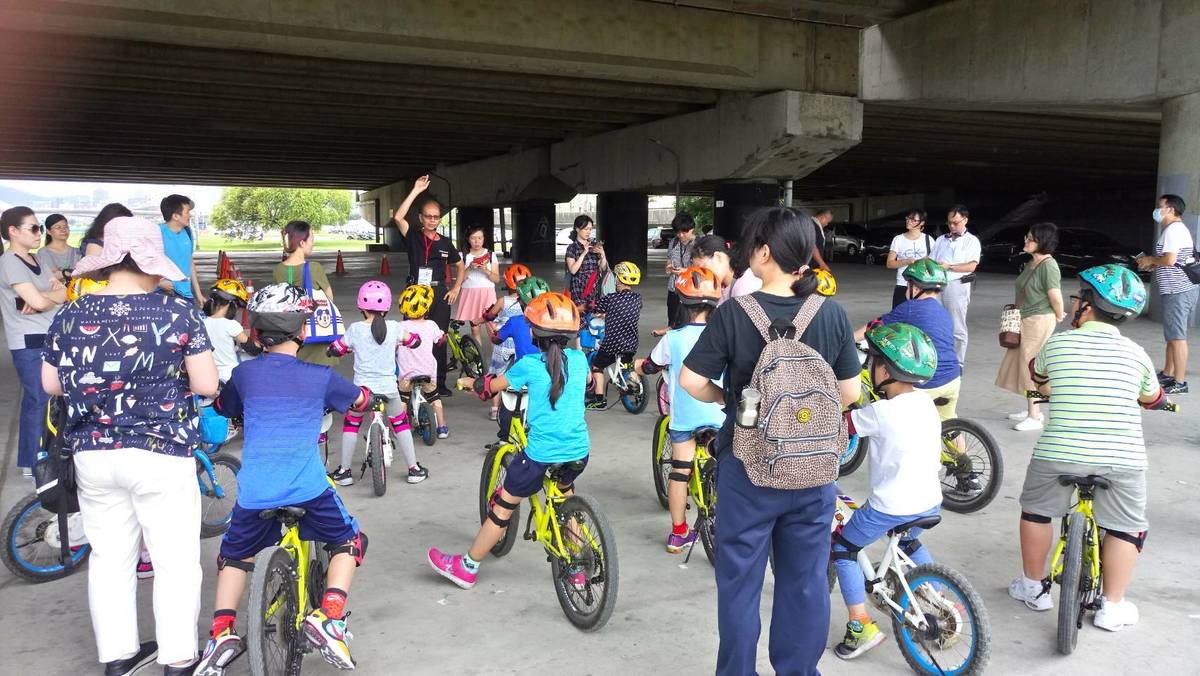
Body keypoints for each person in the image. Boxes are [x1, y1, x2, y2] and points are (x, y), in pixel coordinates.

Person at [680, 207, 859, 675]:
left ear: (764, 251)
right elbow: (850, 394)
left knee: (740, 583)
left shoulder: (735, 314)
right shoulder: (832, 312)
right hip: (815, 470)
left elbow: (690, 380)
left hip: (750, 466)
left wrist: (732, 401)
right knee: (805, 583)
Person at [41, 215, 218, 675]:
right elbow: (205, 383)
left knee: (109, 558)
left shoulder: (72, 312)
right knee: (175, 561)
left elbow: (51, 384)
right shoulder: (177, 312)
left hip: (94, 454)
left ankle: (117, 658)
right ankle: (178, 659)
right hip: (162, 453)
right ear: (147, 261)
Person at [195, 283, 371, 674]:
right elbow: (360, 400)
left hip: (255, 491)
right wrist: (364, 397)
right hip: (307, 488)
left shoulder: (245, 374)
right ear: (303, 332)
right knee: (349, 540)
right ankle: (330, 617)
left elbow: (225, 406)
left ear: (256, 334)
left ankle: (221, 634)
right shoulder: (321, 376)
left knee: (234, 557)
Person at [1010, 264, 1166, 633]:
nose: (1075, 302)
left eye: (1079, 296)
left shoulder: (1059, 344)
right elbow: (1152, 396)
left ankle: (1034, 587)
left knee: (1035, 510)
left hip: (1058, 453)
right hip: (1122, 460)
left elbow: (1040, 381)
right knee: (1127, 528)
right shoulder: (1138, 354)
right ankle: (1112, 606)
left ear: (1089, 305)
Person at [430, 292, 589, 589]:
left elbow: (492, 386)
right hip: (579, 451)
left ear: (533, 332)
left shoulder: (529, 365)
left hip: (540, 455)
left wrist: (470, 383)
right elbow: (585, 384)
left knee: (503, 507)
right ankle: (578, 569)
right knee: (564, 498)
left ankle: (467, 567)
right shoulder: (580, 361)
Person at [834, 322, 943, 660]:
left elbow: (843, 428)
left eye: (874, 361)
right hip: (929, 498)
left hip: (891, 505)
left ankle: (860, 625)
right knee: (908, 540)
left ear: (884, 369)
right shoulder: (925, 403)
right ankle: (939, 604)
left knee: (842, 547)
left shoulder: (879, 412)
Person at [636, 266, 724, 553]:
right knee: (727, 467)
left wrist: (639, 367)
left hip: (686, 420)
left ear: (683, 304)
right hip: (721, 415)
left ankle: (678, 533)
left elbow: (651, 365)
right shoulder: (724, 336)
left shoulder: (672, 339)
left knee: (679, 471)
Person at [326, 280, 428, 485]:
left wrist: (336, 349)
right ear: (388, 307)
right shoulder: (394, 328)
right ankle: (414, 468)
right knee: (400, 425)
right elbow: (415, 341)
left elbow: (336, 348)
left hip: (361, 393)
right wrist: (409, 340)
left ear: (361, 308)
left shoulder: (355, 329)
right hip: (389, 389)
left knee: (351, 425)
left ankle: (345, 472)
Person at [0, 206, 66, 476]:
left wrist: (42, 301)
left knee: (48, 399)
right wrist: (44, 298)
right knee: (38, 399)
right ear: (13, 231)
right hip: (27, 341)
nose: (39, 233)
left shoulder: (37, 260)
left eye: (40, 228)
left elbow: (63, 292)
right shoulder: (9, 262)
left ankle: (41, 456)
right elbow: (43, 298)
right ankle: (32, 462)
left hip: (48, 336)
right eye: (34, 228)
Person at [854, 259, 962, 421]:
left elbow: (875, 326)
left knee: (896, 411)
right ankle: (958, 443)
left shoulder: (909, 307)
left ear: (916, 288)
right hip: (953, 378)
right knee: (949, 424)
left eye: (908, 285)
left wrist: (850, 339)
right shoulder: (944, 313)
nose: (906, 289)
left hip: (928, 382)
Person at [392, 176, 465, 396]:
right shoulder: (413, 236)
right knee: (411, 338)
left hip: (439, 293)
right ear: (421, 218)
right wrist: (415, 190)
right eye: (429, 217)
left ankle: (438, 382)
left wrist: (456, 288)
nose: (433, 220)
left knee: (439, 338)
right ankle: (408, 378)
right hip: (415, 293)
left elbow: (460, 264)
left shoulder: (445, 242)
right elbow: (398, 217)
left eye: (436, 217)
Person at [996, 223, 1065, 431]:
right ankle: (1030, 409)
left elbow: (1056, 296)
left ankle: (1035, 416)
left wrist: (1059, 314)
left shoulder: (1048, 266)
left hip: (1039, 320)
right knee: (1019, 363)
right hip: (1026, 317)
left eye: (1031, 238)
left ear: (1042, 242)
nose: (1026, 241)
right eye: (1027, 237)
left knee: (1030, 366)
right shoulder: (1032, 263)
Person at [1137, 193, 1197, 394]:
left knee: (1178, 337)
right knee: (1172, 335)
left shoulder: (1173, 230)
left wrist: (1151, 260)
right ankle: (1169, 373)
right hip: (1177, 289)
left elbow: (1170, 260)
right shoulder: (1174, 229)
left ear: (1170, 209)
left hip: (1178, 290)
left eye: (1160, 206)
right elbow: (1173, 260)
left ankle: (1179, 383)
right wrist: (1153, 264)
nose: (1157, 210)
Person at [273, 219, 340, 367]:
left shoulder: (278, 270)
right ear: (302, 243)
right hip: (316, 334)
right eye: (311, 239)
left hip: (291, 334)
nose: (313, 243)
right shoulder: (314, 268)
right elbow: (329, 298)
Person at [588, 261, 644, 410]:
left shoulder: (610, 298)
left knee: (597, 365)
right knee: (626, 365)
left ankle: (599, 400)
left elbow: (597, 311)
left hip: (612, 343)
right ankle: (631, 380)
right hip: (631, 343)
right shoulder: (638, 298)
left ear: (618, 279)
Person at [396, 283, 450, 438]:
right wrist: (441, 339)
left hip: (406, 373)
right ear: (427, 309)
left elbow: (393, 344)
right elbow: (440, 339)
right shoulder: (431, 325)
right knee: (434, 397)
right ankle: (442, 427)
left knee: (403, 398)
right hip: (428, 371)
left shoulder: (400, 326)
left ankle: (401, 427)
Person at [931, 205, 981, 365]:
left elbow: (972, 266)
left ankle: (958, 362)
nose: (952, 226)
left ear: (965, 220)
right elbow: (931, 260)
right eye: (949, 223)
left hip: (957, 284)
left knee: (957, 324)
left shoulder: (971, 241)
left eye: (956, 222)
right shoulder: (940, 240)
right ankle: (937, 358)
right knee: (936, 322)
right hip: (937, 284)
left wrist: (950, 266)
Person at [482, 263, 532, 420]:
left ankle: (495, 408)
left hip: (504, 343)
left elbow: (490, 316)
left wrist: (485, 316)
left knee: (496, 373)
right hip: (522, 345)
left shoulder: (503, 301)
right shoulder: (533, 302)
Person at [202, 278, 259, 383]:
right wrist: (261, 346)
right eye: (238, 307)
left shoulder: (202, 323)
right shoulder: (231, 325)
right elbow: (252, 348)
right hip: (229, 376)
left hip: (208, 376)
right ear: (231, 304)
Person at [455, 225, 500, 345]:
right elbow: (460, 280)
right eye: (473, 238)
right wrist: (470, 268)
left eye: (480, 238)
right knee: (475, 329)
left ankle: (496, 362)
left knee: (493, 329)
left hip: (488, 293)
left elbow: (496, 279)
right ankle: (478, 360)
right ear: (468, 239)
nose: (477, 241)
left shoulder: (491, 255)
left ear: (484, 238)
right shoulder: (463, 256)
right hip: (470, 294)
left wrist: (486, 270)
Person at [158, 194, 204, 305]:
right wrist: (158, 283)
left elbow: (189, 261)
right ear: (176, 216)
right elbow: (142, 263)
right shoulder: (157, 233)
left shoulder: (188, 232)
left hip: (186, 294)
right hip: (163, 294)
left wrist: (198, 293)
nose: (190, 215)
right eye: (187, 212)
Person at [691, 234, 761, 305]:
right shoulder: (722, 286)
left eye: (703, 269)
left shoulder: (746, 286)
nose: (702, 276)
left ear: (718, 257)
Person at [885, 209, 934, 308]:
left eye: (913, 220)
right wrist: (905, 261)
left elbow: (934, 263)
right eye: (908, 218)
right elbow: (889, 263)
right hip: (903, 284)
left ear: (922, 223)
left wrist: (926, 262)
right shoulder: (898, 239)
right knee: (899, 319)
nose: (909, 221)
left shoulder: (929, 240)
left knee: (919, 319)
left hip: (922, 285)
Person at [564, 214, 608, 309]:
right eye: (586, 229)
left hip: (594, 289)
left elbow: (603, 268)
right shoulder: (572, 248)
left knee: (594, 319)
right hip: (578, 290)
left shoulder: (595, 245)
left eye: (590, 229)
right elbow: (573, 270)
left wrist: (603, 254)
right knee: (581, 319)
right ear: (577, 229)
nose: (588, 232)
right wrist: (584, 253)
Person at [664, 212, 698, 327]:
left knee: (689, 323)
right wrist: (668, 268)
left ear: (692, 229)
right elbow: (669, 260)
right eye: (678, 232)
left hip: (692, 291)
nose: (681, 235)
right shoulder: (673, 242)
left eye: (684, 231)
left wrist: (686, 271)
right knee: (672, 323)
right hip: (674, 290)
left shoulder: (699, 244)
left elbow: (705, 269)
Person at [36, 213, 80, 282]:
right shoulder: (43, 252)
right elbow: (52, 276)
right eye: (58, 227)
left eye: (66, 227)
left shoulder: (77, 251)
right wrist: (75, 273)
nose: (63, 230)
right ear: (48, 231)